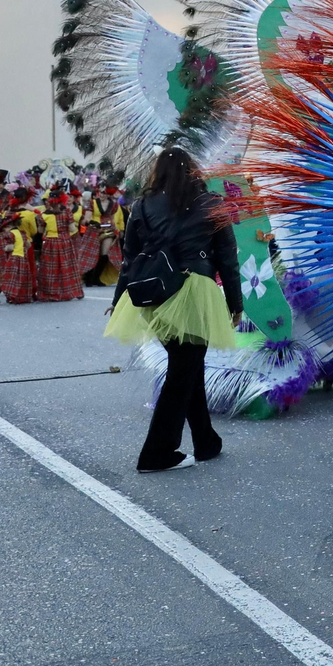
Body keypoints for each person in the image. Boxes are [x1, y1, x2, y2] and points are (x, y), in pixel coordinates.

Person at [104, 148, 244, 472]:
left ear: (158, 171)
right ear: (193, 171)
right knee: (183, 371)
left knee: (187, 367)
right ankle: (157, 452)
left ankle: (206, 441)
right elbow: (228, 258)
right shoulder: (212, 204)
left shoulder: (141, 204)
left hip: (155, 293)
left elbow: (129, 258)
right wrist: (235, 304)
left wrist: (118, 299)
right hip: (196, 292)